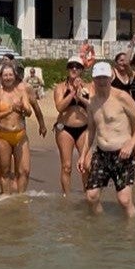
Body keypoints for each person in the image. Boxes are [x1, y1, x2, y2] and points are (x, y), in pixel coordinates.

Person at [80, 62, 135, 218]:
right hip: (101, 154)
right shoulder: (92, 101)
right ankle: (101, 229)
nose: (102, 82)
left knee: (124, 200)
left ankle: (131, 235)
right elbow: (91, 129)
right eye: (98, 78)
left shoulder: (122, 97)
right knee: (91, 196)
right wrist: (84, 155)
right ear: (93, 79)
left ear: (111, 77)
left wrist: (131, 144)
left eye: (105, 77)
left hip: (122, 154)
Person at [0, 63, 33, 194]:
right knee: (5, 172)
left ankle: (21, 198)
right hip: (3, 136)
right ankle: (6, 197)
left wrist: (23, 108)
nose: (8, 77)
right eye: (5, 75)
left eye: (10, 75)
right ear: (1, 78)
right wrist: (10, 109)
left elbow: (29, 112)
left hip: (20, 135)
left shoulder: (21, 92)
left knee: (24, 170)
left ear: (15, 76)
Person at [53, 56, 90, 195]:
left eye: (78, 66)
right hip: (65, 128)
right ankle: (67, 196)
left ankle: (88, 195)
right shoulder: (60, 87)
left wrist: (81, 96)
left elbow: (92, 106)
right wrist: (73, 92)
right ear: (68, 69)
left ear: (82, 70)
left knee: (86, 165)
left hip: (84, 128)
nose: (74, 69)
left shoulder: (88, 87)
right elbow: (59, 107)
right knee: (67, 166)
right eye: (71, 66)